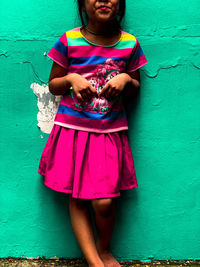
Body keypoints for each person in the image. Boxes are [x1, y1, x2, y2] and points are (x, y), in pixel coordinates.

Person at [38, 0, 148, 266]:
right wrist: (72, 79)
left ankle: (104, 248)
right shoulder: (69, 40)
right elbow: (53, 85)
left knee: (104, 203)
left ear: (120, 5)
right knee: (77, 196)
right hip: (73, 132)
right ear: (82, 5)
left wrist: (125, 79)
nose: (102, 0)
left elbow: (135, 89)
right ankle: (95, 261)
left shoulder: (130, 44)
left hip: (108, 132)